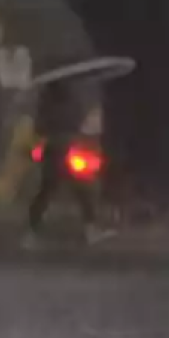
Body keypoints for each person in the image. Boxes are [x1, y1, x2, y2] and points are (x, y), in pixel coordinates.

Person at [22, 78, 109, 247]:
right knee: (73, 190)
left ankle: (31, 232)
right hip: (64, 151)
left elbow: (40, 128)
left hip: (57, 151)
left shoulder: (47, 105)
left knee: (49, 192)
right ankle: (90, 230)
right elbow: (75, 123)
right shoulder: (63, 105)